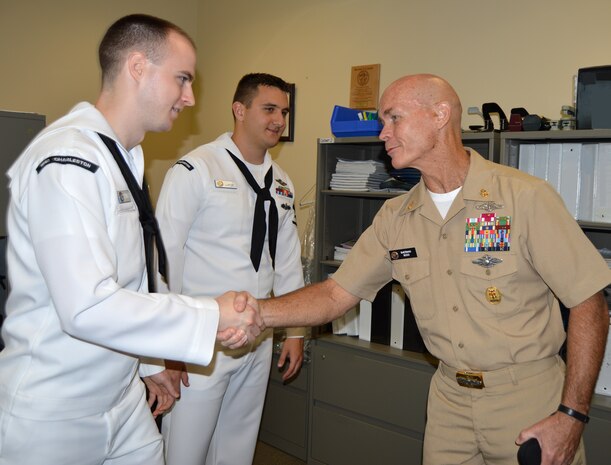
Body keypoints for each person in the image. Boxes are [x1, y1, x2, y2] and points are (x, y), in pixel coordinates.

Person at [253, 74, 611, 465]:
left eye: (393, 118)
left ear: (440, 115)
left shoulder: (524, 198)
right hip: (448, 402)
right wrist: (257, 312)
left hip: (527, 399)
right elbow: (335, 294)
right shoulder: (396, 216)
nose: (383, 134)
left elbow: (589, 303)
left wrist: (573, 415)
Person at [0, 14, 261, 465]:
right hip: (54, 412)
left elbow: (134, 279)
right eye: (182, 79)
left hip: (120, 399)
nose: (190, 97)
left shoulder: (124, 157)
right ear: (138, 67)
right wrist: (208, 314)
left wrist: (150, 364)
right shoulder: (68, 160)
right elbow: (88, 304)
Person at [156, 73, 306, 465]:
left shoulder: (282, 184)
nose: (279, 120)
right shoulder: (197, 169)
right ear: (240, 110)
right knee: (185, 449)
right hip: (201, 340)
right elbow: (162, 261)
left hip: (257, 338)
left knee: (238, 445)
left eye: (285, 112)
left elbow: (287, 261)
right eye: (269, 109)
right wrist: (168, 349)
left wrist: (295, 332)